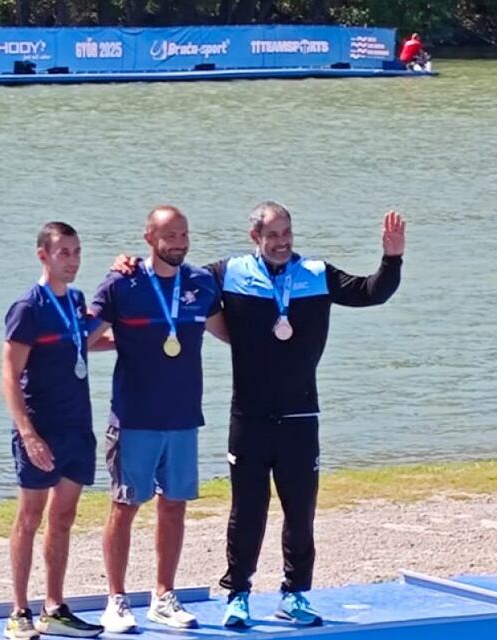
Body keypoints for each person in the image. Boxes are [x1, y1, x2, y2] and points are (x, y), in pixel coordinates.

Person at [212, 203, 405, 628]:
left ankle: (295, 594)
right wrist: (131, 266)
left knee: (300, 512)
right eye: (272, 235)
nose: (281, 242)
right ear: (255, 237)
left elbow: (372, 292)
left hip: (300, 416)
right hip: (249, 417)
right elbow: (179, 285)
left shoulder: (316, 274)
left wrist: (392, 259)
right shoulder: (230, 273)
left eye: (287, 233)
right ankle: (238, 595)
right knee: (247, 511)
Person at [90, 206, 229, 633]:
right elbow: (84, 338)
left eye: (184, 234)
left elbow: (229, 332)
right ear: (149, 237)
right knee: (125, 506)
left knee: (174, 507)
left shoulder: (201, 283)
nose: (180, 243)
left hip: (183, 417)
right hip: (134, 418)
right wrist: (128, 340)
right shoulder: (123, 282)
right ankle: (116, 600)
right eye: (170, 236)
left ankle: (163, 597)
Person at [1, 222, 108, 639]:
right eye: (64, 252)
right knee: (30, 517)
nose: (73, 260)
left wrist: (138, 339)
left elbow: (79, 342)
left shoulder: (76, 300)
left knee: (63, 517)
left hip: (76, 427)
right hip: (40, 429)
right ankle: (18, 612)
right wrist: (28, 434)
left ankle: (54, 608)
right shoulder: (28, 307)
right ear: (43, 255)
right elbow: (9, 375)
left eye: (77, 251)